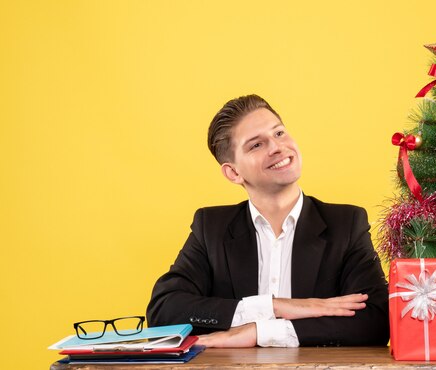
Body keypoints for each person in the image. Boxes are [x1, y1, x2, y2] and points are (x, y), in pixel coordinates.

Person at [146, 95, 389, 348]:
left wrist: (259, 331)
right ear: (234, 172)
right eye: (256, 145)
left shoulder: (346, 224)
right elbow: (164, 310)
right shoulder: (211, 228)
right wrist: (274, 306)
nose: (277, 147)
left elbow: (375, 320)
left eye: (279, 133)